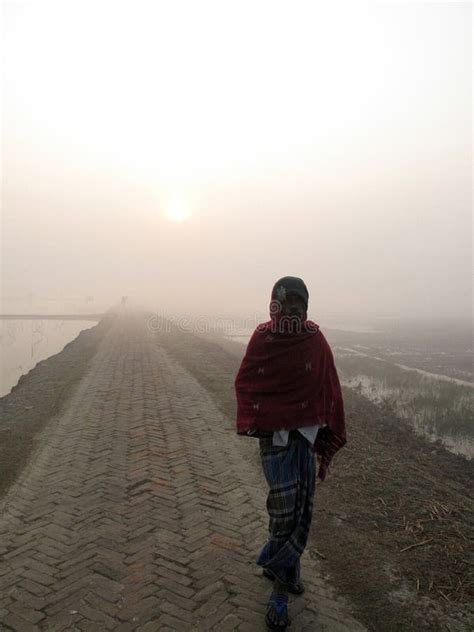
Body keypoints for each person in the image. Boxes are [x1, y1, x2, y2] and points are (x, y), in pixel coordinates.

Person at [234, 276, 347, 630]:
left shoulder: (315, 340)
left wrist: (324, 424)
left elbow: (329, 384)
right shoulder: (262, 339)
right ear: (274, 305)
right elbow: (247, 382)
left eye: (299, 305)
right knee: (283, 511)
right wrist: (266, 417)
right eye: (286, 304)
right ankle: (280, 591)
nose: (293, 311)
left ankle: (285, 566)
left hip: (305, 439)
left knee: (300, 510)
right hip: (276, 440)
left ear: (307, 307)